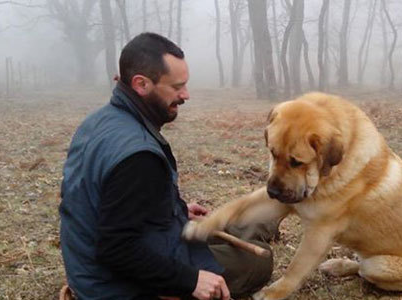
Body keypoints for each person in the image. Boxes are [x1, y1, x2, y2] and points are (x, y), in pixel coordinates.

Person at [59, 32, 276, 300]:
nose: (185, 95)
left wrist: (173, 209)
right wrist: (189, 280)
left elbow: (108, 200)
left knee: (243, 224)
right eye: (176, 87)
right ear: (141, 84)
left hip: (93, 268)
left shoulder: (99, 121)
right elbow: (115, 248)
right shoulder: (137, 155)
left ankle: (260, 227)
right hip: (113, 286)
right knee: (257, 262)